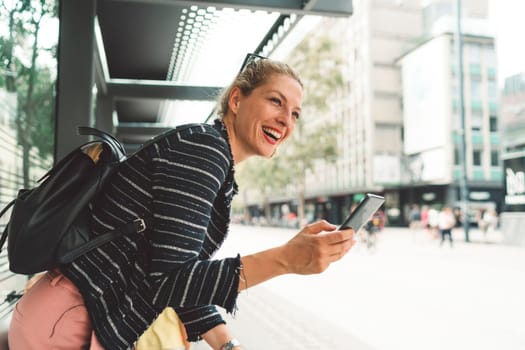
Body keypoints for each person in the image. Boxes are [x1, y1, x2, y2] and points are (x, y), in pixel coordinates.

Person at [8, 54, 356, 350]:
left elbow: (171, 275)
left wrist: (226, 343)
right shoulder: (205, 151)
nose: (286, 119)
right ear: (236, 100)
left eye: (296, 113)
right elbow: (172, 280)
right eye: (276, 101)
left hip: (65, 315)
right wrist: (285, 259)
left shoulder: (209, 155)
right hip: (69, 323)